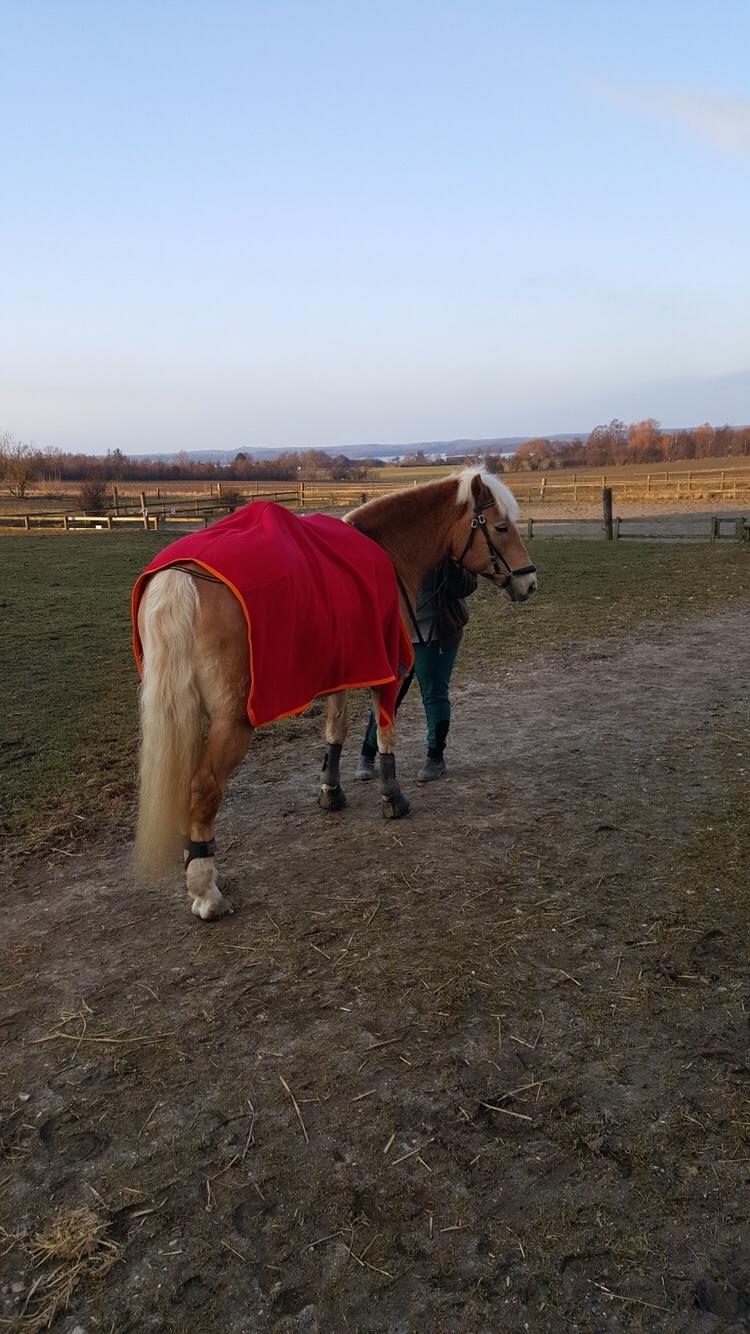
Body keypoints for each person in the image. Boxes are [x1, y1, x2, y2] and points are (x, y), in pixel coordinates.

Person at [354, 559, 478, 783]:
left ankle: (435, 757)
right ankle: (368, 752)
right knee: (386, 696)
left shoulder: (448, 539)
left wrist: (449, 565)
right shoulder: (392, 534)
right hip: (397, 632)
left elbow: (468, 585)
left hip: (436, 631)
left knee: (434, 695)